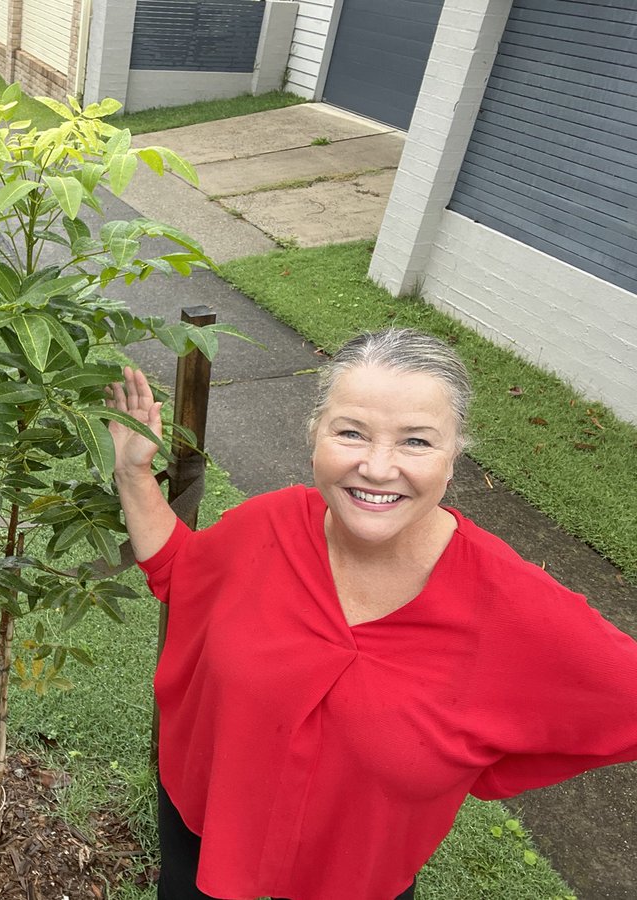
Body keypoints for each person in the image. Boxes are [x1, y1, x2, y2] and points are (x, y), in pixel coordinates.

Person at [106, 329, 637, 900]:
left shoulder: (513, 605)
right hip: (204, 832)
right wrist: (134, 473)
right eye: (352, 432)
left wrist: (488, 766)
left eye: (416, 441)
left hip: (354, 882)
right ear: (315, 437)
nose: (379, 468)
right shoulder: (270, 525)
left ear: (455, 453)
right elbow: (182, 573)